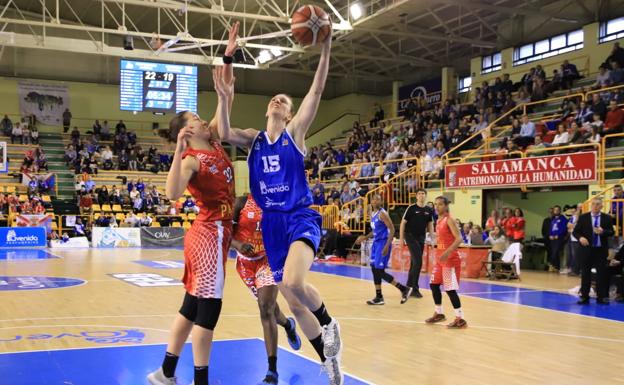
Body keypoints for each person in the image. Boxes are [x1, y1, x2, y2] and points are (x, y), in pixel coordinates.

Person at [215, 24, 343, 385]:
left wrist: (326, 47)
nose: (277, 101)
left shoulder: (295, 134)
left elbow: (316, 89)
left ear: (288, 114)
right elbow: (224, 132)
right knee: (294, 299)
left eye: (284, 102)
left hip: (298, 216)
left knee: (293, 281)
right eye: (275, 99)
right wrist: (225, 95)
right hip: (271, 224)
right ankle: (329, 359)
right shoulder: (253, 140)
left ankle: (331, 324)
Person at [147, 23, 238, 385]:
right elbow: (171, 194)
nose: (202, 119)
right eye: (194, 119)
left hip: (215, 232)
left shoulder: (213, 140)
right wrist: (177, 150)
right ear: (187, 131)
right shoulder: (191, 160)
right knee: (208, 310)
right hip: (209, 233)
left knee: (190, 306)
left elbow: (226, 99)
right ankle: (201, 380)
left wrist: (228, 56)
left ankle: (165, 372)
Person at [231, 194, 302, 385]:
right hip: (245, 264)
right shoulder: (241, 203)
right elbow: (225, 232)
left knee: (265, 308)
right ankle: (288, 325)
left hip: (268, 261)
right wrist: (238, 244)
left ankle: (272, 370)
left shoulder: (278, 203)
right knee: (271, 309)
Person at [356, 194, 412, 305]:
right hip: (376, 243)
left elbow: (391, 229)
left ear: (381, 202)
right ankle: (379, 297)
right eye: (373, 199)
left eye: (377, 199)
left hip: (383, 243)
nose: (374, 201)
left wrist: (387, 245)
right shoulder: (373, 214)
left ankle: (403, 289)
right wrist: (365, 237)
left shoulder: (383, 213)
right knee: (373, 268)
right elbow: (375, 231)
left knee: (379, 271)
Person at [425, 196, 467, 329]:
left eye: (440, 205)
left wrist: (447, 252)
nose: (437, 207)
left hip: (450, 260)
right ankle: (439, 313)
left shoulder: (450, 220)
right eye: (435, 204)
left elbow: (459, 238)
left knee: (450, 289)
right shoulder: (438, 220)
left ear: (446, 206)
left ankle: (460, 318)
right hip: (440, 259)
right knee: (434, 284)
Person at [573, 198, 614, 305]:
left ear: (602, 206)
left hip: (600, 250)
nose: (595, 206)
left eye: (598, 204)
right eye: (594, 204)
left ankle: (602, 297)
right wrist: (580, 238)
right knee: (586, 274)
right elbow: (575, 232)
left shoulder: (607, 218)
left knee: (601, 274)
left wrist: (603, 231)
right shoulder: (583, 218)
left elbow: (611, 232)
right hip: (586, 250)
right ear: (591, 205)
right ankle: (584, 297)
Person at [399, 188, 434, 298]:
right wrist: (401, 239)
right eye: (419, 194)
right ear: (416, 196)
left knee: (415, 263)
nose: (421, 195)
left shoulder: (429, 210)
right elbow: (402, 223)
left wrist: (432, 239)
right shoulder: (411, 208)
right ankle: (414, 288)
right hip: (410, 236)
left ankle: (408, 287)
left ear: (426, 195)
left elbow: (430, 225)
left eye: (423, 193)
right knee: (418, 261)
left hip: (421, 237)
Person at [549, 205, 568, 272]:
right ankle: (556, 267)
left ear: (560, 211)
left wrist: (558, 235)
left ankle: (554, 265)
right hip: (552, 238)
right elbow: (551, 228)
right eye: (555, 210)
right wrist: (550, 235)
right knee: (553, 252)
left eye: (557, 210)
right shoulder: (553, 219)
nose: (556, 211)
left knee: (556, 252)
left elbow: (564, 228)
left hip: (559, 238)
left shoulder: (563, 219)